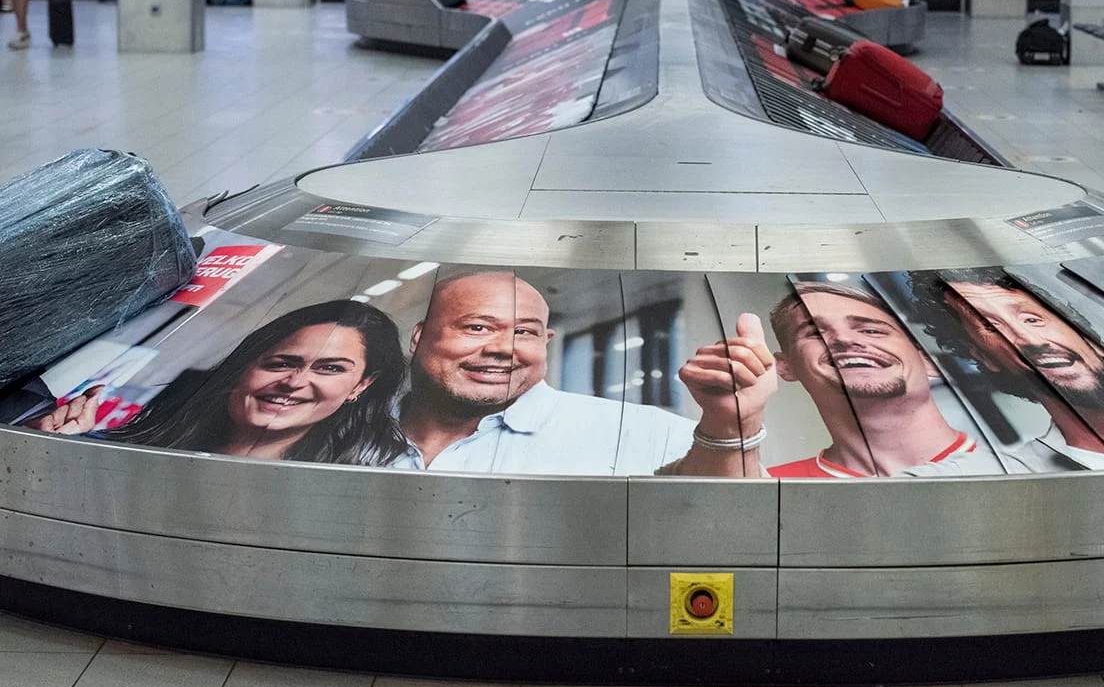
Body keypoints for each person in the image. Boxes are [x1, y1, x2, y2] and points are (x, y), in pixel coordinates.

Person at [668, 282, 1000, 478]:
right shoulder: (770, 487)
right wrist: (732, 423)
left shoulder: (1017, 468)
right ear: (785, 366)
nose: (842, 339)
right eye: (814, 332)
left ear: (927, 359)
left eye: (871, 330)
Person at [28, 301, 410, 466]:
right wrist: (62, 452)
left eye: (330, 369)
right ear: (246, 366)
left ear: (361, 386)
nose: (294, 382)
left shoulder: (353, 485)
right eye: (281, 363)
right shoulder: (125, 445)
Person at [391, 270, 695, 475]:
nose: (504, 348)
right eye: (477, 327)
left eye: (524, 332)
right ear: (418, 337)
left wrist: (731, 427)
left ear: (545, 342)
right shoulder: (355, 425)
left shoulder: (634, 432)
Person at [922, 268, 1104, 469]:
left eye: (1032, 319)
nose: (1031, 341)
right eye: (992, 329)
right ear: (987, 359)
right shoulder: (1015, 475)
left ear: (1090, 339)